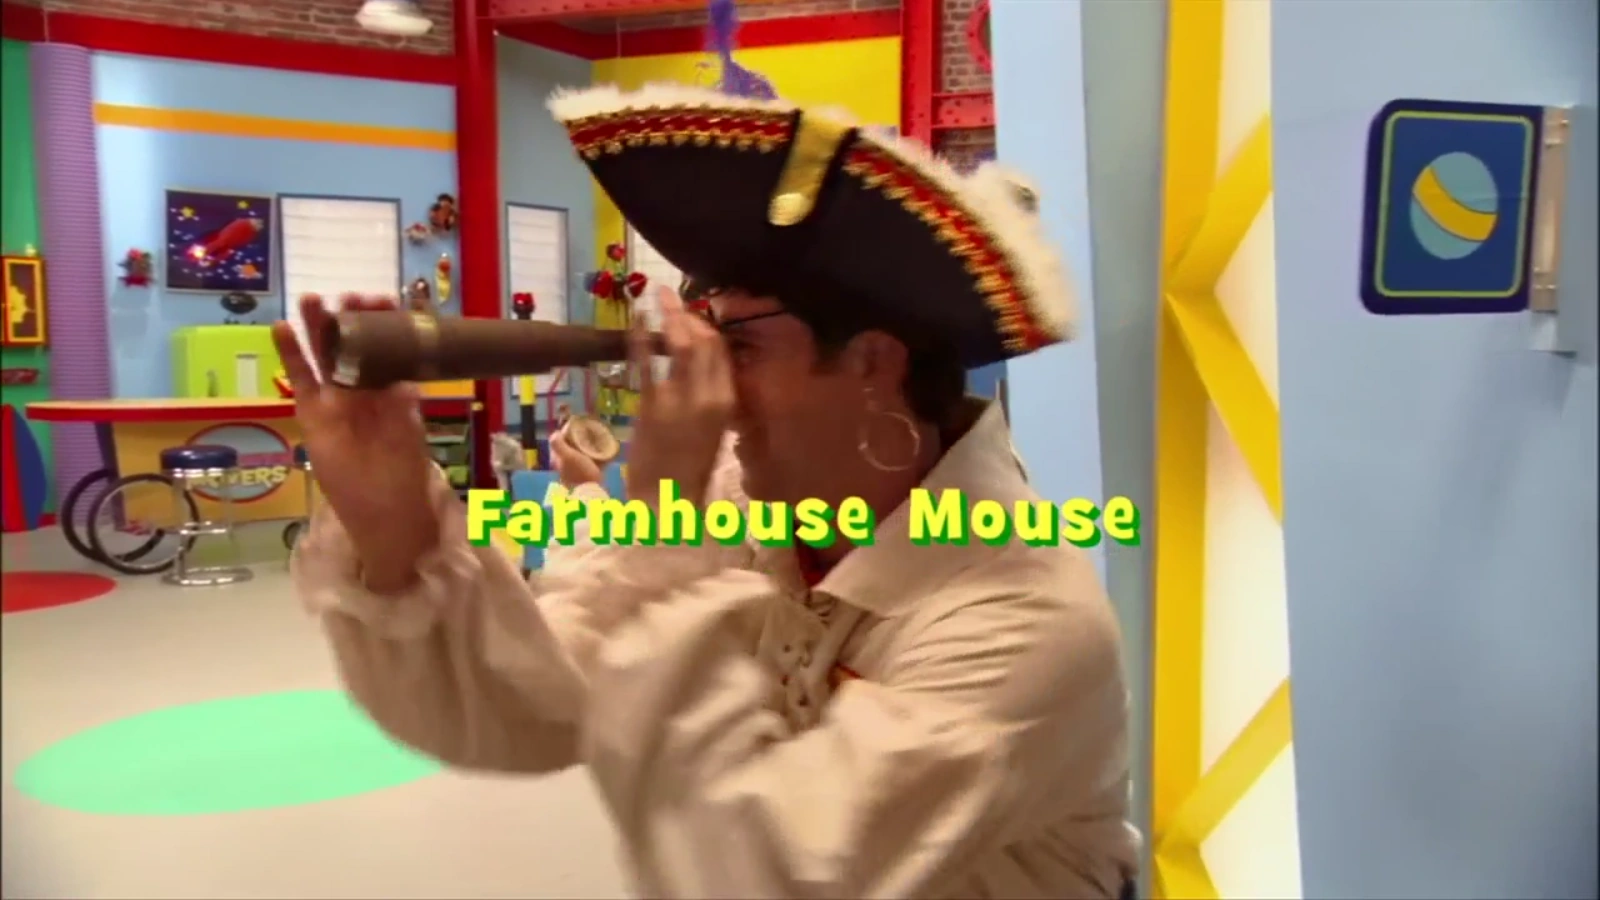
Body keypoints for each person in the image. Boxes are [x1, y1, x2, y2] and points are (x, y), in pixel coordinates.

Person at [279, 80, 1138, 898]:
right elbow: (537, 708)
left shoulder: (1023, 618)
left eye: (742, 347)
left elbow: (750, 871)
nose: (716, 394)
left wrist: (663, 533)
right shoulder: (746, 507)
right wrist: (395, 528)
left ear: (874, 362)